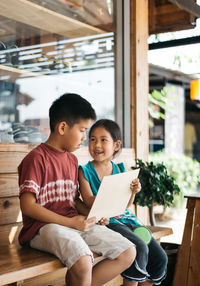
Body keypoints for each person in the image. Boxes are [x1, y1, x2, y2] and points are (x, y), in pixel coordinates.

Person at [18, 94, 136, 286]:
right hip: (41, 228)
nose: (84, 138)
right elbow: (28, 206)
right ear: (63, 127)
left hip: (72, 223)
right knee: (83, 261)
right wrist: (70, 222)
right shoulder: (36, 158)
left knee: (127, 252)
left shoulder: (72, 160)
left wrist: (93, 216)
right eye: (82, 131)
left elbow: (72, 201)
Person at [78, 119, 168, 286]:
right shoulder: (84, 171)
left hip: (129, 220)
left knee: (160, 258)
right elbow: (89, 201)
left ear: (116, 145)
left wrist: (132, 192)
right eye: (92, 139)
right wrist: (110, 192)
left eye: (103, 140)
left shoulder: (120, 169)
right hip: (108, 222)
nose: (97, 145)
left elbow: (125, 205)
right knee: (140, 248)